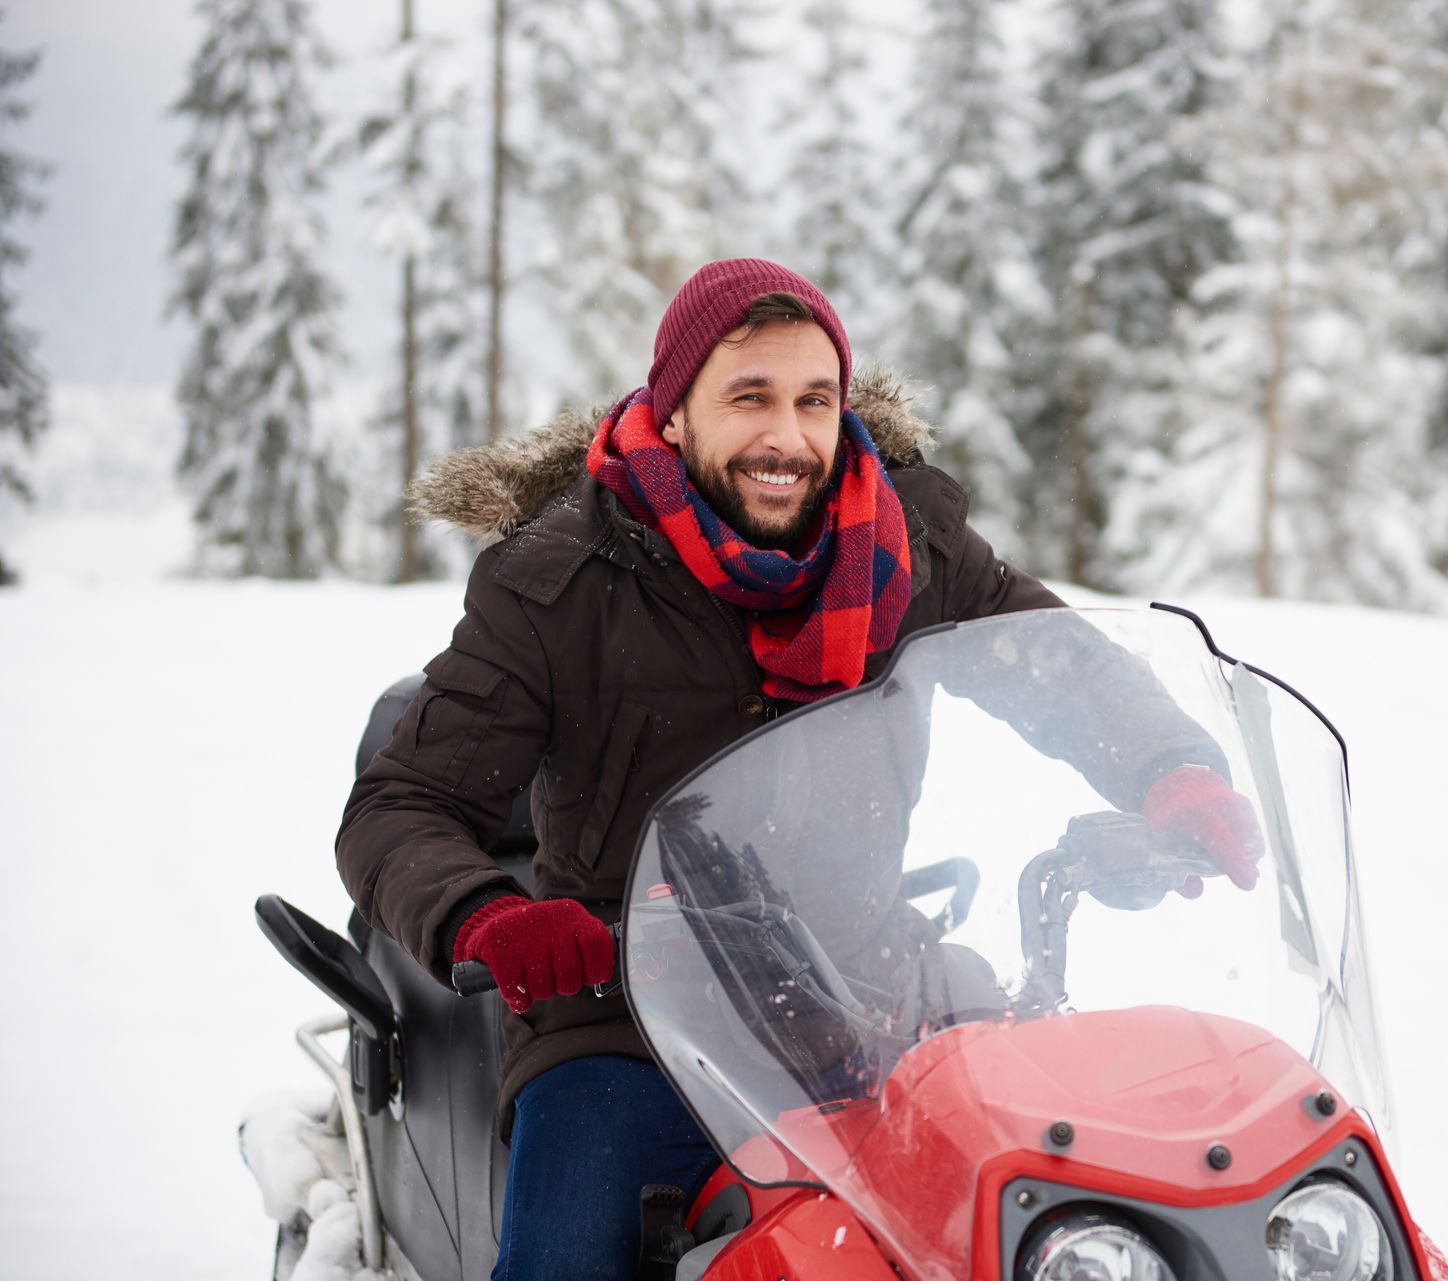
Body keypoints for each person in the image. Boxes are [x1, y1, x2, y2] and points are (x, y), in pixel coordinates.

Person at [337, 258, 1262, 1280]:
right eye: (749, 398)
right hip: (629, 1017)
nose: (787, 436)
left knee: (1069, 1202)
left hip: (871, 995)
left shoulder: (903, 546)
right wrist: (489, 914)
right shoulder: (560, 583)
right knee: (565, 1260)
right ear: (676, 412)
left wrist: (1174, 772)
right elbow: (401, 804)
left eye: (812, 401)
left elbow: (1056, 663)